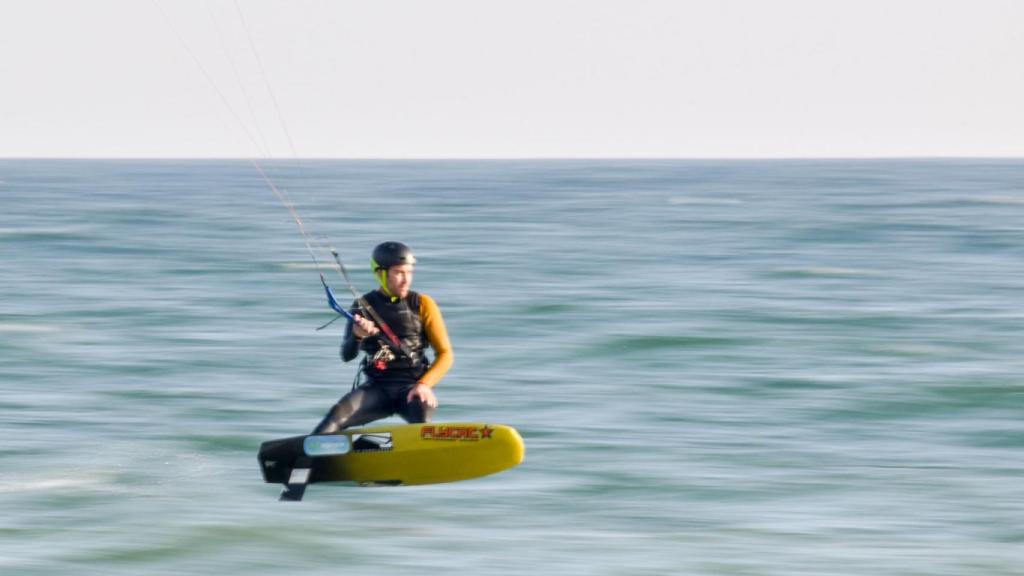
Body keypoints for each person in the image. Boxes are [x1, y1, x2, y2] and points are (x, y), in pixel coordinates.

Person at [313, 241, 453, 434]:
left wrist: (424, 385)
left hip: (412, 388)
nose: (406, 280)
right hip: (376, 388)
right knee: (334, 418)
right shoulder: (363, 305)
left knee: (422, 422)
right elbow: (347, 355)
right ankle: (307, 460)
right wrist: (357, 335)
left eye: (409, 272)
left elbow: (446, 354)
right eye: (399, 273)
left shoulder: (422, 304)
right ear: (381, 273)